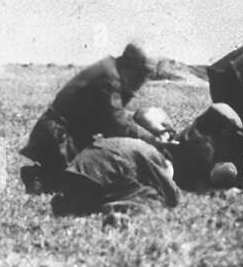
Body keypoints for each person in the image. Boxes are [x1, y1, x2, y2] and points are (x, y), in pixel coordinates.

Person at [20, 43, 165, 194]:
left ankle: (45, 175)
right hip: (59, 139)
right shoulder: (109, 80)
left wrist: (153, 130)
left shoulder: (110, 70)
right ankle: (40, 177)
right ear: (130, 67)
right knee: (85, 187)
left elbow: (114, 117)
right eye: (142, 74)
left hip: (64, 136)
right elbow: (117, 122)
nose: (142, 81)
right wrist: (152, 140)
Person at [51, 135, 181, 222]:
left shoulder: (133, 145)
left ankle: (70, 203)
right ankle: (116, 209)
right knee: (151, 196)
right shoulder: (154, 155)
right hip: (98, 177)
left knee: (127, 187)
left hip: (73, 175)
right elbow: (171, 195)